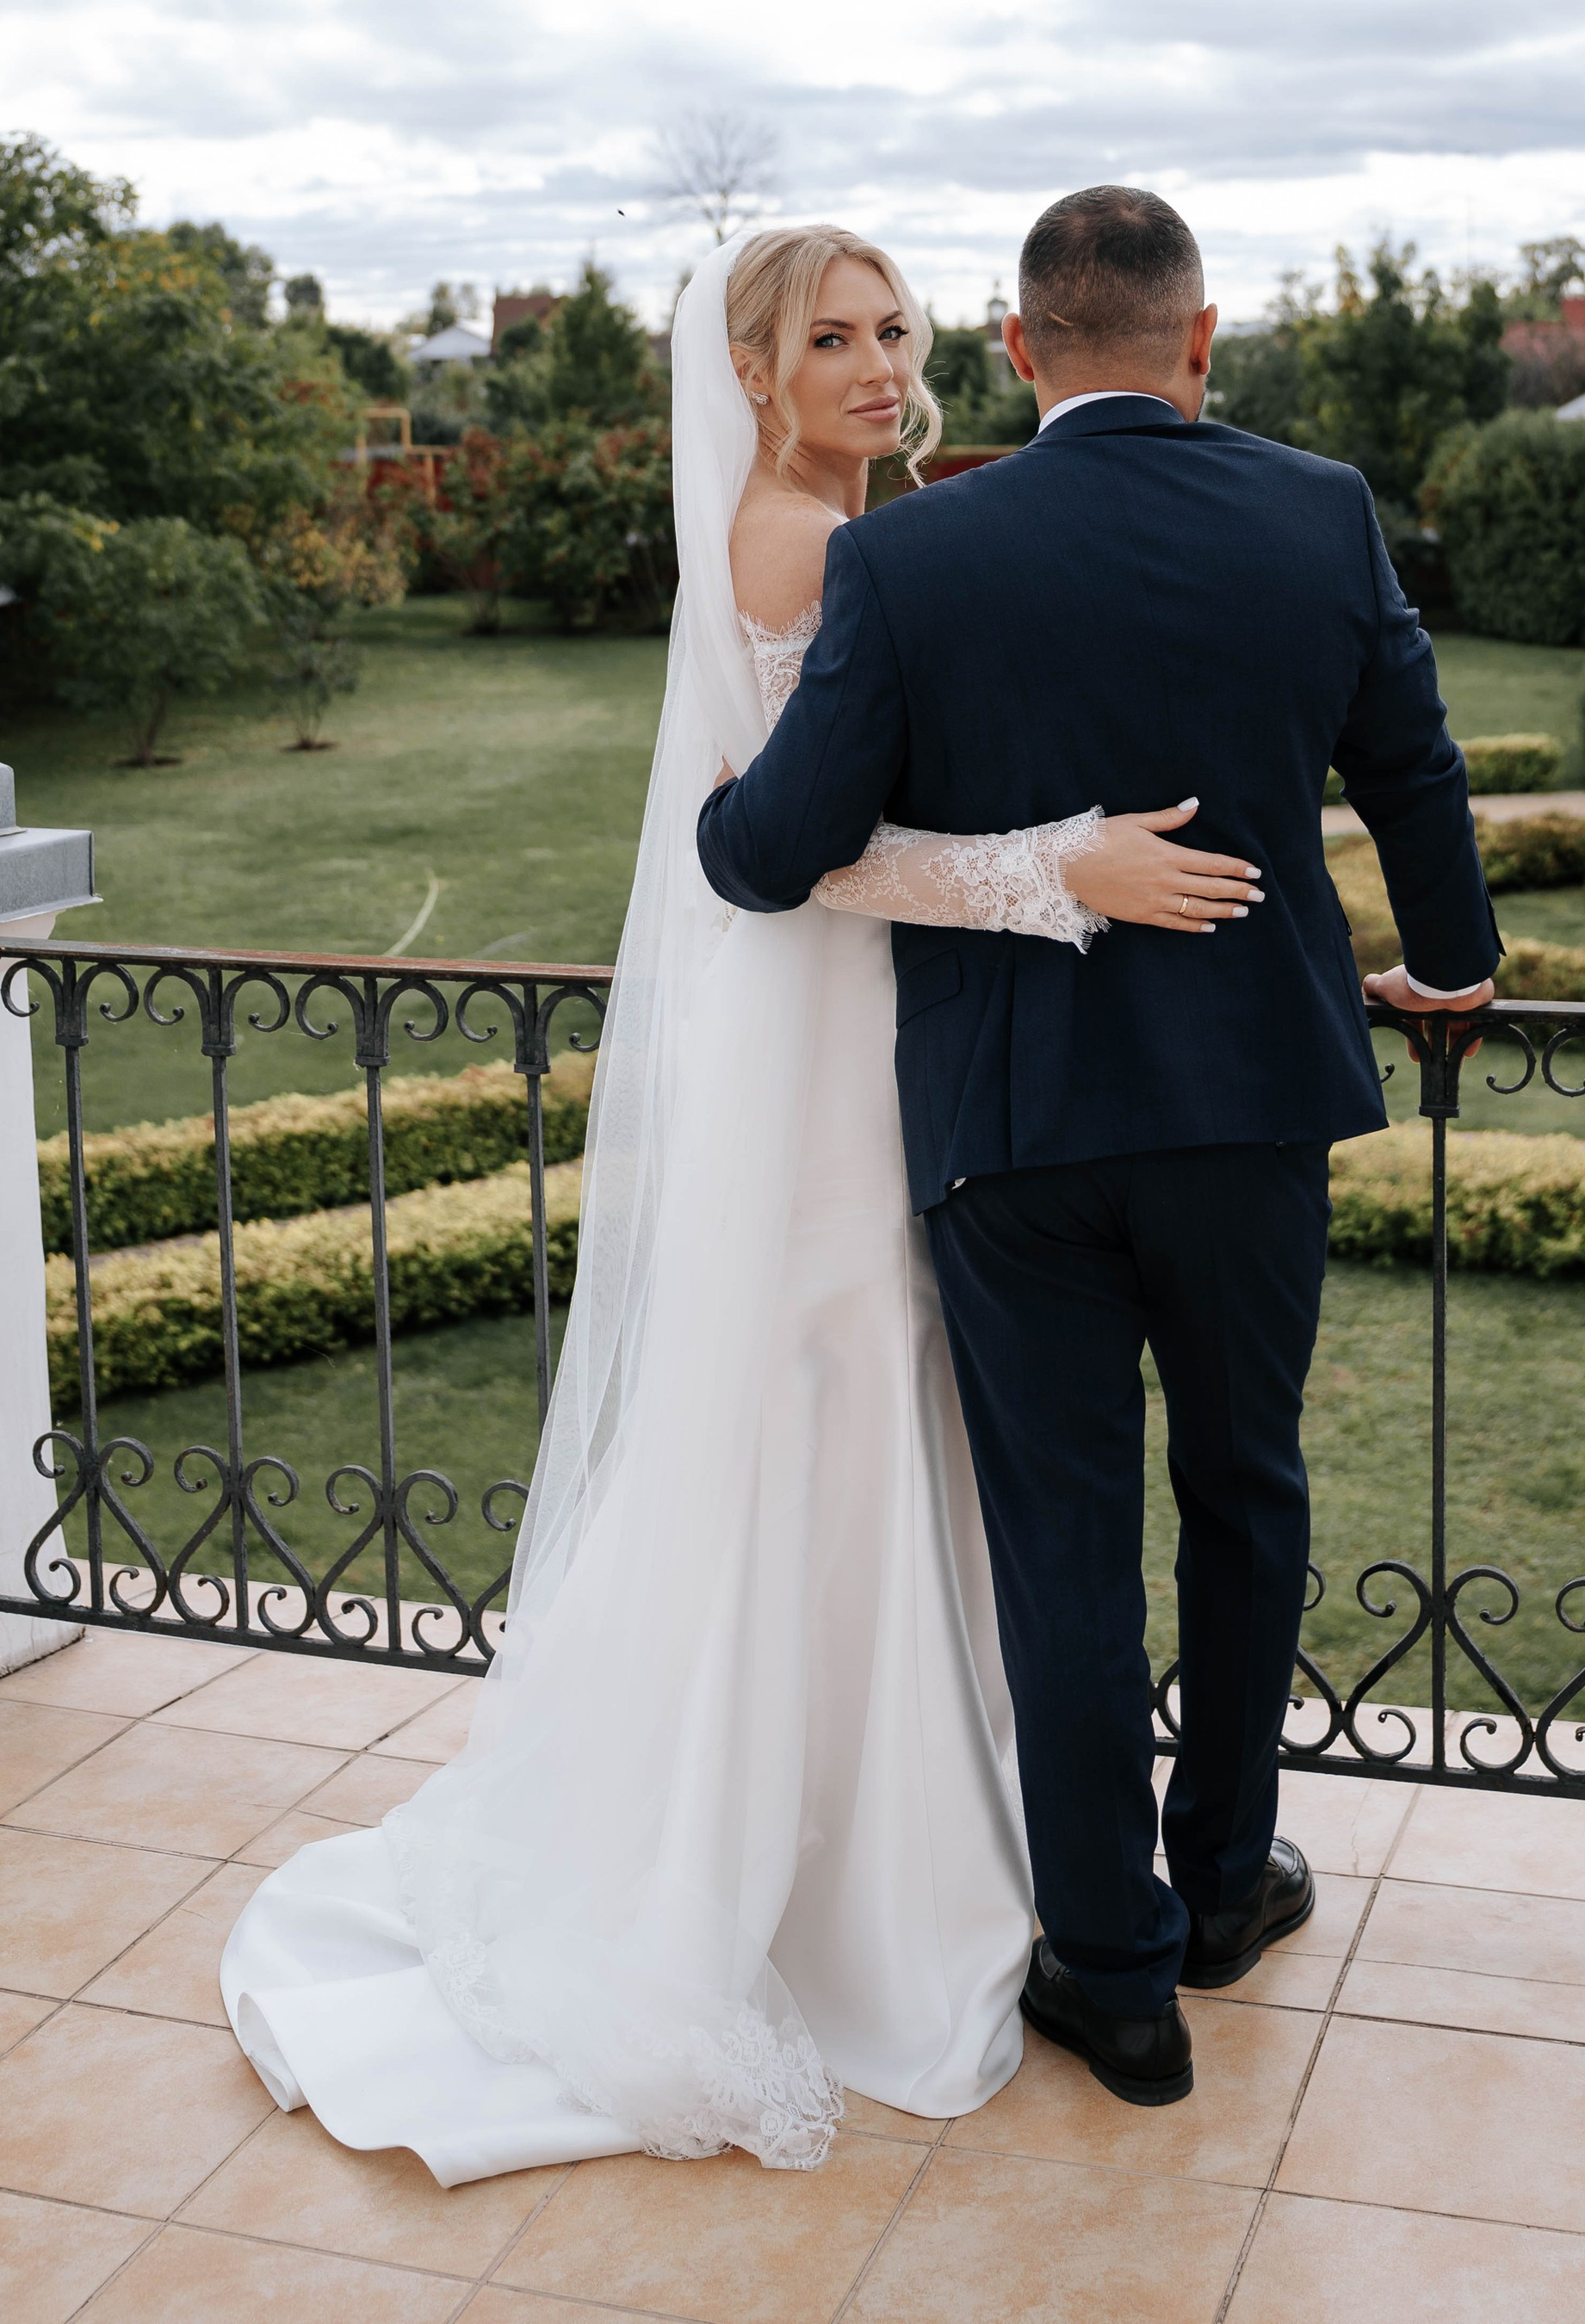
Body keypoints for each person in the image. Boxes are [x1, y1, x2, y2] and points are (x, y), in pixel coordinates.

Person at [220, 220, 1261, 2181]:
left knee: (890, 1399)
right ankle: (830, 1877)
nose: (877, 365)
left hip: (886, 1033)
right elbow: (798, 855)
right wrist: (1062, 866)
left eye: (893, 327)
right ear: (753, 380)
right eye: (828, 342)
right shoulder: (803, 543)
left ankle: (943, 1827)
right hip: (828, 1036)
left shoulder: (877, 528)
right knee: (845, 1379)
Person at [701, 183, 1500, 2108]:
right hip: (1248, 1111)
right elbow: (1408, 761)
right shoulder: (1318, 511)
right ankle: (1225, 1884)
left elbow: (772, 846)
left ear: (1017, 347)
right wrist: (1453, 969)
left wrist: (735, 816)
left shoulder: (916, 556)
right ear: (1198, 341)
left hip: (1016, 1135)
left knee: (1065, 1550)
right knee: (1246, 1491)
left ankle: (1113, 1975)